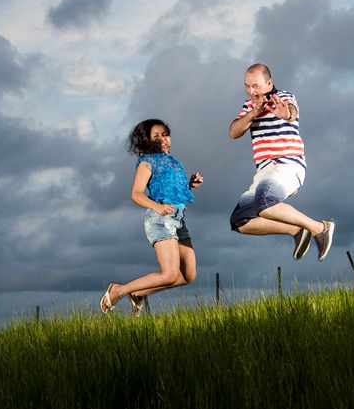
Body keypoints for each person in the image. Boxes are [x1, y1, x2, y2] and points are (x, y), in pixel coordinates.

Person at [229, 63, 334, 261]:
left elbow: (291, 112)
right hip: (264, 171)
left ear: (269, 84)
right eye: (247, 86)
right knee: (240, 221)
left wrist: (285, 114)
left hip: (286, 163)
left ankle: (320, 228)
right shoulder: (249, 105)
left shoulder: (284, 97)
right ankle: (297, 230)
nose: (251, 91)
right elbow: (234, 132)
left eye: (256, 86)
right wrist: (253, 113)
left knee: (264, 204)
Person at [100, 119, 203, 316]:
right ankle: (118, 290)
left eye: (165, 134)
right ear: (146, 140)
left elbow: (173, 191)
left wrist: (190, 185)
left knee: (188, 275)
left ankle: (138, 293)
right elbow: (136, 194)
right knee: (170, 274)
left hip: (178, 220)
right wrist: (157, 206)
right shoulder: (147, 162)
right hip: (160, 220)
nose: (162, 139)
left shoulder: (174, 162)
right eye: (156, 136)